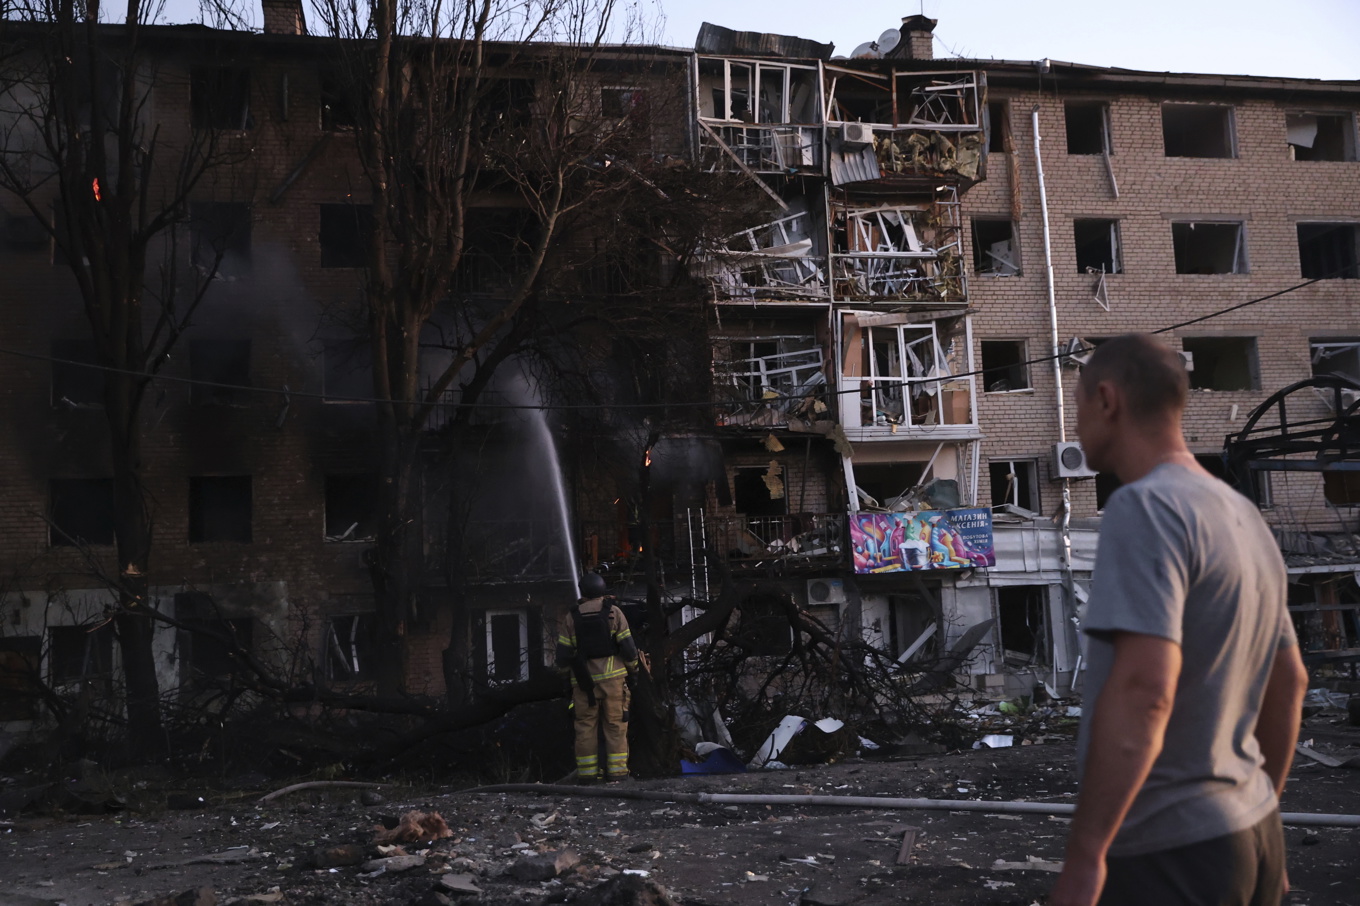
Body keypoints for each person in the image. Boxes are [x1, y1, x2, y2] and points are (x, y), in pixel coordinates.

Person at [1051, 334, 1309, 906]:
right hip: (1252, 834)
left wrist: (1086, 853)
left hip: (1170, 851)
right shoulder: (1242, 513)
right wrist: (1260, 811)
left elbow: (1146, 689)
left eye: (1077, 407)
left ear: (1107, 400)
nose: (1076, 424)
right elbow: (1289, 682)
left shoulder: (1144, 507)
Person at [556, 572, 639, 783]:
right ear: (603, 590)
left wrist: (566, 681)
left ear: (582, 591)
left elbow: (563, 656)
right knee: (616, 726)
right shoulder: (614, 613)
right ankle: (618, 774)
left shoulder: (571, 617)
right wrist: (634, 672)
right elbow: (628, 649)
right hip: (614, 682)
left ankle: (587, 775)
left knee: (585, 728)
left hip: (583, 684)